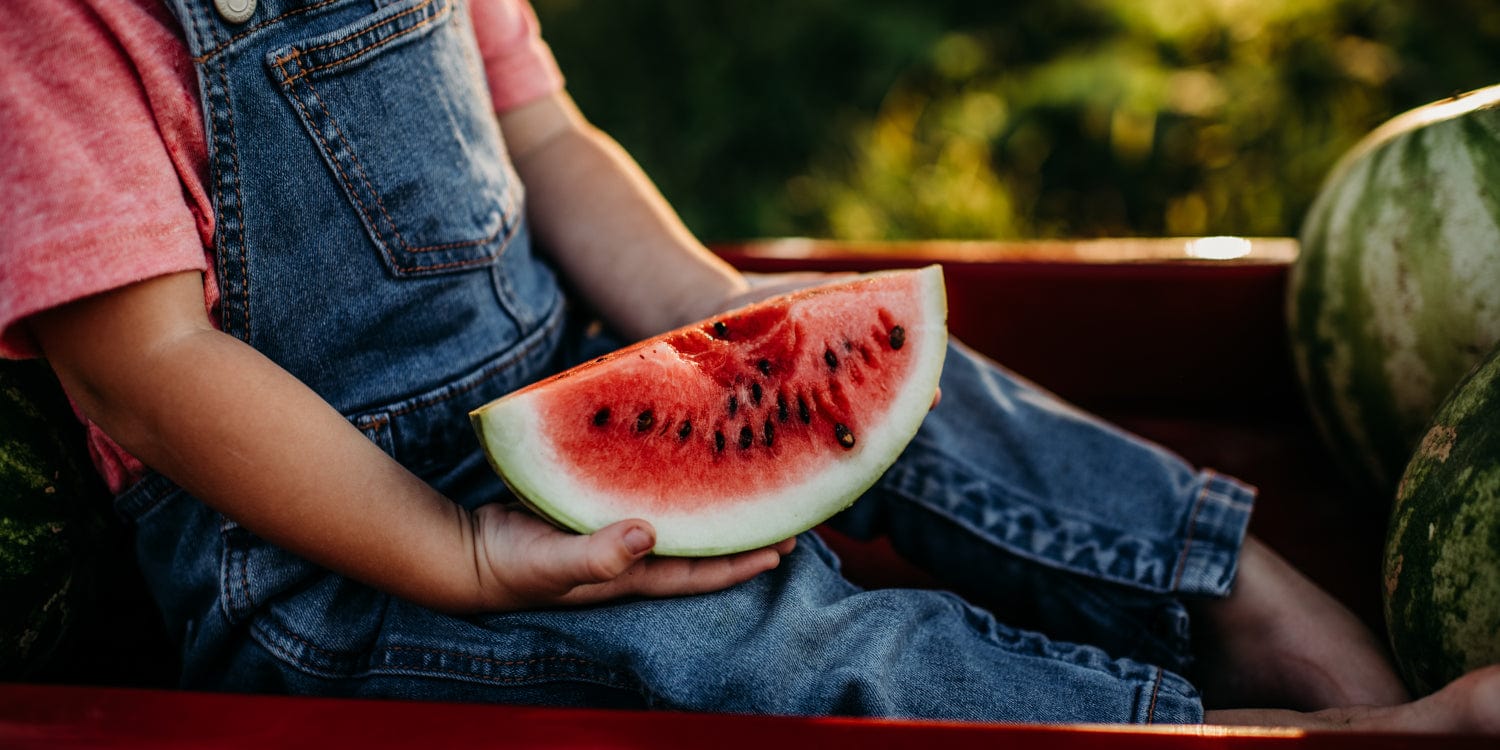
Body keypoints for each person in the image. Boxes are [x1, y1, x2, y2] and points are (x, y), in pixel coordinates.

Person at [2, 0, 1496, 731]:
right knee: (779, 647)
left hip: (552, 377)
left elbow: (548, 144)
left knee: (918, 380)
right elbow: (144, 360)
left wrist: (732, 331)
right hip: (326, 562)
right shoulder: (55, 22)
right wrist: (456, 547)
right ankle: (1239, 737)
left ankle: (1239, 594)